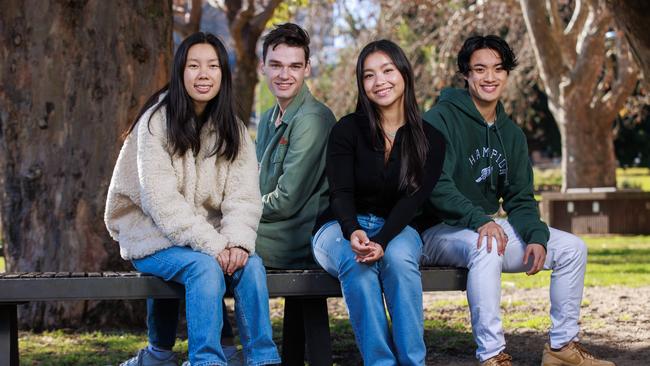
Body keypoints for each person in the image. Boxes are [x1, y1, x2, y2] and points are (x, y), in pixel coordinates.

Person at [418, 35, 614, 366]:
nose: (489, 77)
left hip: (481, 229)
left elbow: (520, 197)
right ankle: (493, 355)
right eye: (479, 69)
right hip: (436, 231)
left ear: (508, 74)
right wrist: (481, 220)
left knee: (571, 249)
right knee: (488, 244)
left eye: (498, 69)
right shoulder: (438, 120)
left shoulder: (511, 134)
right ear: (465, 74)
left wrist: (536, 236)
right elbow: (436, 185)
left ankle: (561, 348)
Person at [105, 32, 280, 366]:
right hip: (151, 235)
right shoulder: (157, 122)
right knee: (203, 268)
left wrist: (238, 244)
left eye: (213, 66)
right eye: (194, 66)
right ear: (179, 72)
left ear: (223, 75)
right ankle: (207, 360)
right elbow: (162, 203)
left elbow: (244, 198)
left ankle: (263, 359)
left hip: (209, 237)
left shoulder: (234, 129)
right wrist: (216, 247)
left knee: (252, 264)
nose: (204, 74)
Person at [312, 39, 446, 365]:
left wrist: (383, 240)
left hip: (398, 227)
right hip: (339, 226)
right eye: (369, 75)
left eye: (387, 70)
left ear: (404, 74)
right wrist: (352, 230)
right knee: (357, 268)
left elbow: (413, 201)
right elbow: (340, 193)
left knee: (399, 263)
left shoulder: (432, 139)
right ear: (362, 84)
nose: (379, 81)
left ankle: (413, 362)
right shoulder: (347, 129)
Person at [255, 23, 336, 363]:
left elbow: (287, 199)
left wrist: (235, 218)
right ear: (263, 67)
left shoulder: (312, 118)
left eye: (293, 66)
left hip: (301, 235)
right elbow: (258, 186)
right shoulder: (267, 118)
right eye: (276, 65)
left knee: (211, 250)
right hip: (274, 226)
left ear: (307, 68)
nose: (284, 74)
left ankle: (224, 347)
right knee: (205, 245)